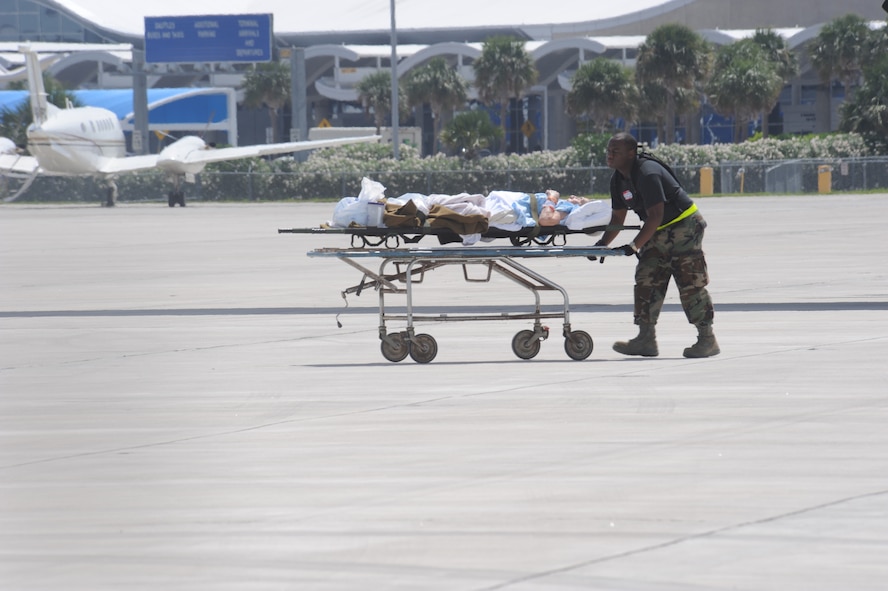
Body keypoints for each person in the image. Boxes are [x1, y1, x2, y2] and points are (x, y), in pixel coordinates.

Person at [594, 132, 719, 358]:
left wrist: (633, 246)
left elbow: (655, 215)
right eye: (608, 151)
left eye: (616, 152)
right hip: (657, 231)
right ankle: (645, 339)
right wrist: (602, 244)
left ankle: (707, 339)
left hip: (684, 227)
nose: (610, 155)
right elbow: (617, 218)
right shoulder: (618, 179)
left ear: (631, 153)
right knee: (646, 279)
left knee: (689, 283)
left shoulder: (647, 173)